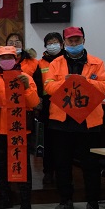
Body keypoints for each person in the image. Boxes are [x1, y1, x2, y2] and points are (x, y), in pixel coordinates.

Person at [45, 27, 105, 209]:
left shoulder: (96, 63)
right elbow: (48, 86)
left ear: (83, 40)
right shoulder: (56, 63)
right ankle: (65, 200)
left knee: (91, 165)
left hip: (89, 123)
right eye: (70, 41)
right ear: (64, 43)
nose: (74, 43)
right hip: (62, 122)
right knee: (62, 163)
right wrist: (65, 82)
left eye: (77, 40)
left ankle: (93, 204)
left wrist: (86, 82)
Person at [0, 46, 39, 209]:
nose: (6, 60)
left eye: (10, 57)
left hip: (19, 131)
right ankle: (5, 198)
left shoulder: (26, 77)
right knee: (1, 167)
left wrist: (27, 88)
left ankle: (25, 202)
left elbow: (34, 103)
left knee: (22, 166)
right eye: (3, 58)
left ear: (16, 59)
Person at [37, 32, 65, 185]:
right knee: (48, 141)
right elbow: (37, 84)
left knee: (63, 142)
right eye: (49, 43)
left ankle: (62, 173)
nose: (52, 45)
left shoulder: (67, 60)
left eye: (55, 42)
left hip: (66, 103)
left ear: (61, 44)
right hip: (47, 104)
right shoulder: (40, 63)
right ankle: (48, 171)